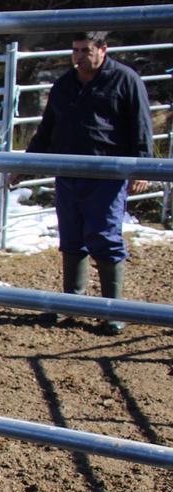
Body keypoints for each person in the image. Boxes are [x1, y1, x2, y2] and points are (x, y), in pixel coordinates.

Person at [24, 30, 154, 334]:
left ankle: (112, 309)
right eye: (75, 51)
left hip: (106, 172)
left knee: (104, 235)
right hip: (68, 171)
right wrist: (26, 163)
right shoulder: (65, 84)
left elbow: (141, 125)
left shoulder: (125, 79)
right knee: (71, 236)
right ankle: (73, 302)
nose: (79, 57)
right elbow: (48, 127)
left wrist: (142, 168)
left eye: (85, 50)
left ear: (103, 50)